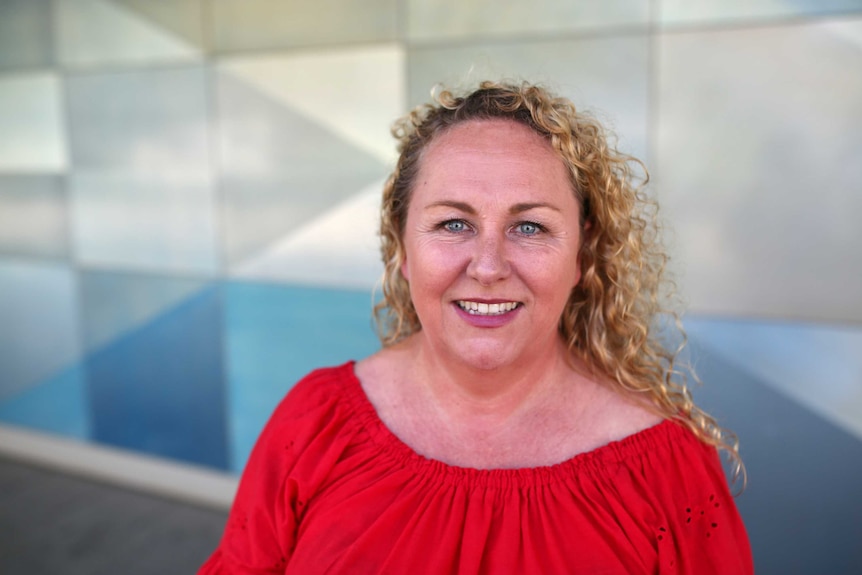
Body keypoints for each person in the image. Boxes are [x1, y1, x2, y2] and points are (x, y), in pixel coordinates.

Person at [200, 81, 753, 574]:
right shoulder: (315, 423)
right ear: (403, 250)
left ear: (581, 254)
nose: (488, 267)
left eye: (530, 226)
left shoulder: (668, 468)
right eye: (454, 223)